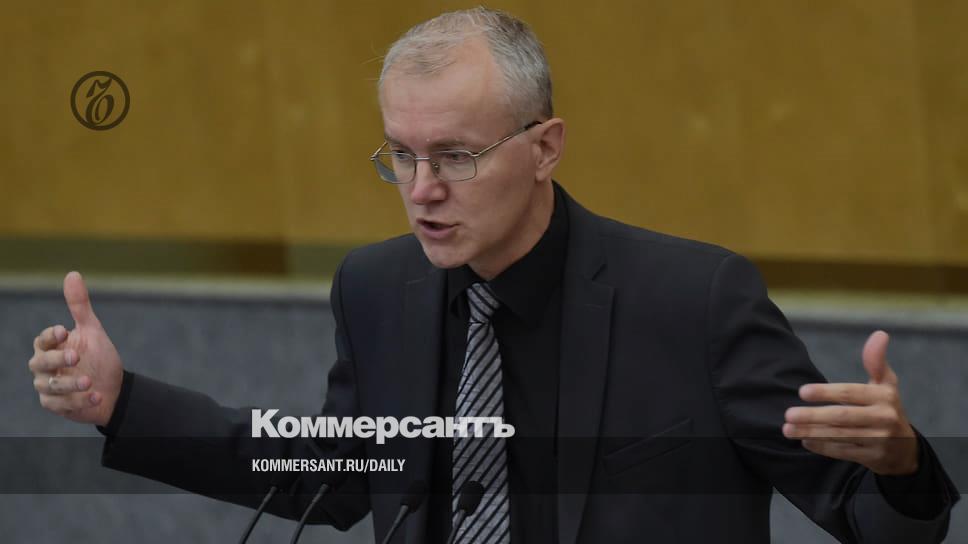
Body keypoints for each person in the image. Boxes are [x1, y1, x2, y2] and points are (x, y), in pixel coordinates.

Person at [28, 7, 958, 543]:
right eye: (400, 155)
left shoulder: (695, 301)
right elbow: (336, 474)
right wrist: (123, 403)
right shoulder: (377, 289)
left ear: (545, 147)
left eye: (456, 157)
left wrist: (902, 464)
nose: (421, 191)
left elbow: (869, 519)